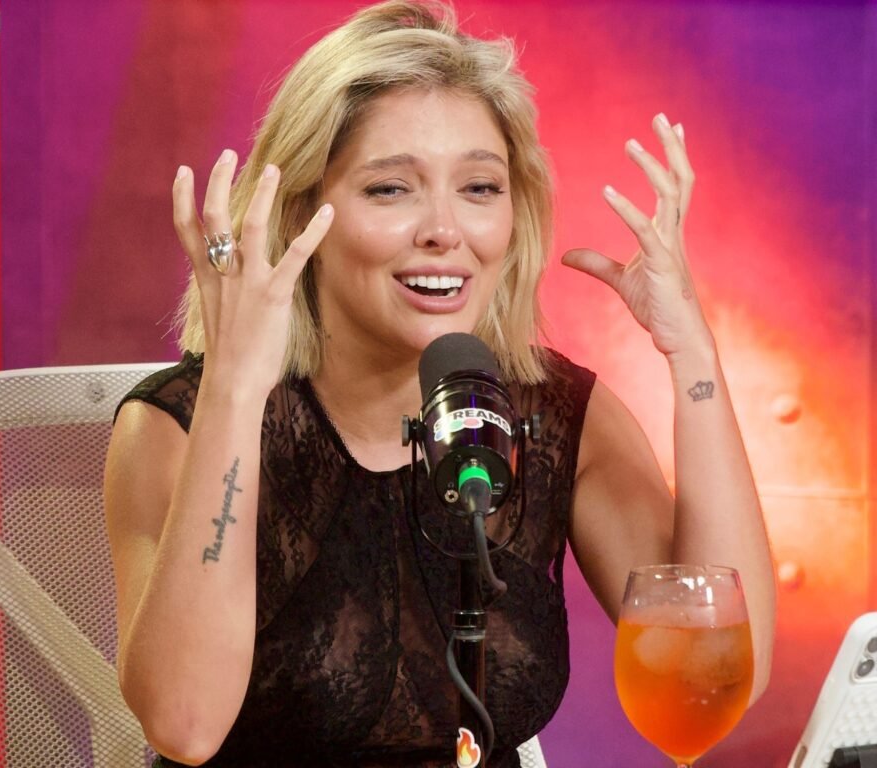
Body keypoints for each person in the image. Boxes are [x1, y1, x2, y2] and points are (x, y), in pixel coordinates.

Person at [103, 2, 776, 765]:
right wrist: (233, 386)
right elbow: (184, 726)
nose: (445, 231)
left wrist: (693, 356)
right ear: (300, 213)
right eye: (391, 189)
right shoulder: (175, 425)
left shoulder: (558, 416)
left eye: (480, 188)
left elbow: (719, 672)